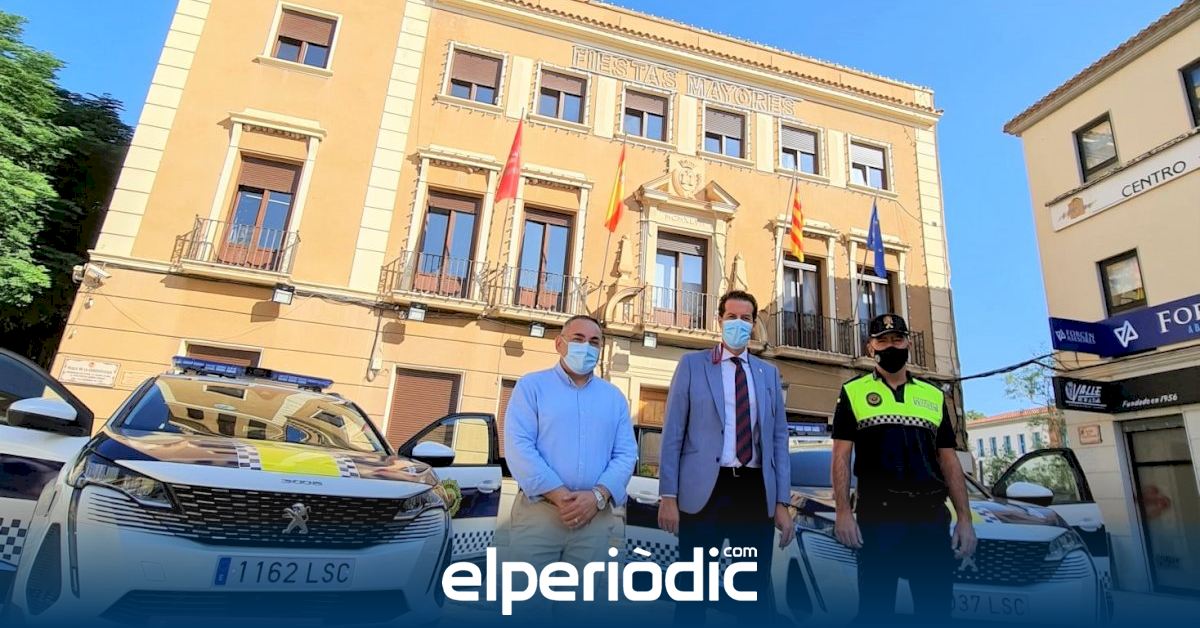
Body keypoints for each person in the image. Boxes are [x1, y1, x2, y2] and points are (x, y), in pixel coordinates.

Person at [657, 290, 794, 625]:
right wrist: (668, 496)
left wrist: (782, 502)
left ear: (754, 324)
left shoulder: (767, 373)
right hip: (706, 492)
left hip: (754, 492)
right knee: (693, 592)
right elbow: (673, 432)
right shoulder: (692, 366)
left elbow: (778, 439)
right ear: (719, 320)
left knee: (752, 593)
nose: (738, 324)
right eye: (731, 317)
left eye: (745, 318)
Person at [831, 312, 977, 623]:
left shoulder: (933, 395)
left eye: (897, 339)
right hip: (878, 518)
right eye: (882, 341)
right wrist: (842, 512)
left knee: (935, 614)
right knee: (875, 614)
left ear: (908, 343)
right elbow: (841, 456)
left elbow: (949, 460)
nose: (891, 346)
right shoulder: (852, 392)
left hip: (930, 518)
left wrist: (964, 519)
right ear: (870, 347)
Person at [504, 315, 638, 584]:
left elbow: (625, 454)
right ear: (559, 344)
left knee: (582, 604)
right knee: (525, 599)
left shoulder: (614, 398)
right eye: (578, 339)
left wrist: (597, 497)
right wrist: (560, 496)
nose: (586, 347)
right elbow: (519, 445)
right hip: (539, 516)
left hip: (594, 521)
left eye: (594, 341)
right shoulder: (532, 387)